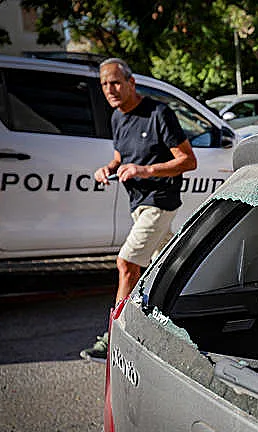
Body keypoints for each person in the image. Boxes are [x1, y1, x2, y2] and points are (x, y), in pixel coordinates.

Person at [80, 58, 197, 362]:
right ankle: (184, 323)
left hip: (160, 200)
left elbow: (187, 160)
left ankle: (114, 337)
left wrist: (144, 170)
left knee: (127, 265)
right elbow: (120, 155)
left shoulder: (159, 113)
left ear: (131, 83)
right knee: (168, 266)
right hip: (138, 204)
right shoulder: (118, 117)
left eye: (116, 82)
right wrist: (108, 168)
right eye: (105, 84)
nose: (110, 89)